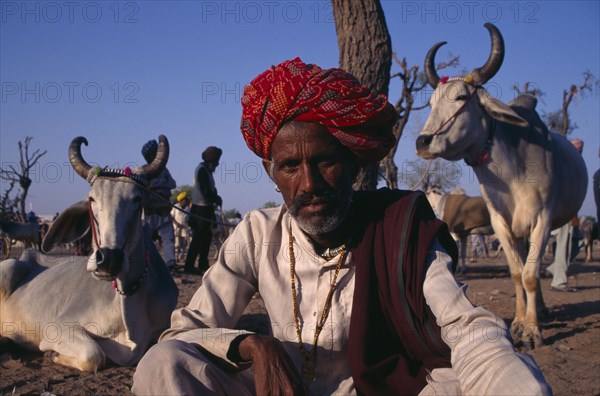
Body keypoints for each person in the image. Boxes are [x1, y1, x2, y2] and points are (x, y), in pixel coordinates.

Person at [133, 58, 551, 395]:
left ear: (352, 160)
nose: (310, 185)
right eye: (291, 167)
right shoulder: (259, 234)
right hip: (276, 389)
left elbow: (468, 328)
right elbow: (182, 333)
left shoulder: (399, 225)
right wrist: (253, 347)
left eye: (325, 161)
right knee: (163, 364)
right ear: (270, 171)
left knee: (487, 374)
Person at [546, 138, 585, 292]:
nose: (579, 150)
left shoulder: (572, 164)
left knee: (579, 241)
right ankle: (559, 281)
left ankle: (553, 269)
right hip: (559, 212)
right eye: (577, 148)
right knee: (564, 241)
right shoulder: (564, 164)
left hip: (564, 212)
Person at [184, 146, 223, 275]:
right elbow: (206, 191)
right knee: (198, 239)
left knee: (206, 238)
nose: (217, 164)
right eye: (216, 162)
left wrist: (215, 197)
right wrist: (216, 198)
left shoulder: (206, 170)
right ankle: (189, 266)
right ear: (212, 160)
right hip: (200, 209)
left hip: (206, 209)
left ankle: (203, 265)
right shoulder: (201, 170)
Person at [141, 139, 177, 268]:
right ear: (150, 155)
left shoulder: (164, 170)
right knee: (146, 240)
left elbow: (173, 183)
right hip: (150, 213)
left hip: (163, 211)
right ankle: (145, 263)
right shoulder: (142, 171)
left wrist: (159, 184)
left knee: (169, 238)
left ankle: (170, 262)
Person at [172, 191, 191, 264]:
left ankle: (181, 257)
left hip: (185, 229)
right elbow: (172, 217)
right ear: (181, 200)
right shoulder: (175, 207)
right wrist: (176, 223)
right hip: (176, 228)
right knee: (177, 244)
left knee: (184, 244)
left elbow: (189, 218)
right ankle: (176, 257)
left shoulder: (188, 208)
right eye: (184, 200)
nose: (185, 202)